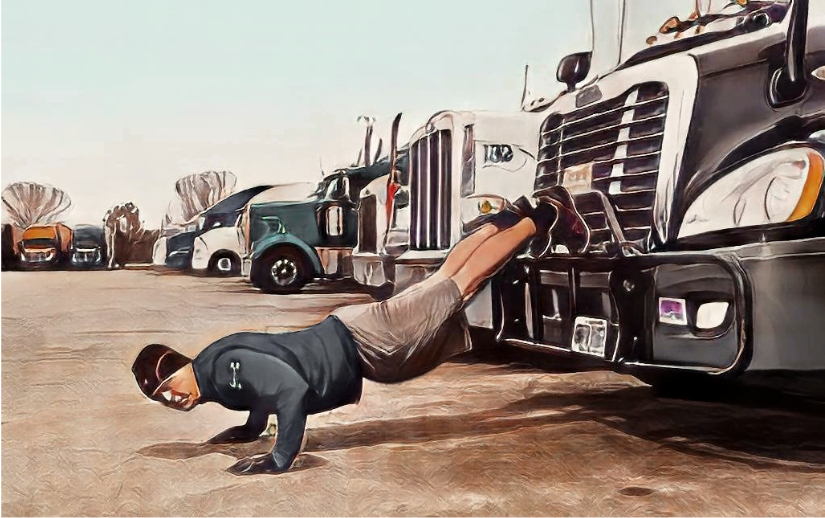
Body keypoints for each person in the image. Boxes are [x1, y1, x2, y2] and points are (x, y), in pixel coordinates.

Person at [132, 196, 559, 475]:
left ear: (181, 365)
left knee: (460, 285)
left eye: (169, 388)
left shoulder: (224, 371)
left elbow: (289, 389)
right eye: (162, 400)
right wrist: (249, 429)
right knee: (446, 278)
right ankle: (508, 219)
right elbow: (262, 387)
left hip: (365, 341)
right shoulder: (214, 370)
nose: (172, 400)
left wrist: (279, 458)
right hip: (353, 332)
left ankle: (539, 220)